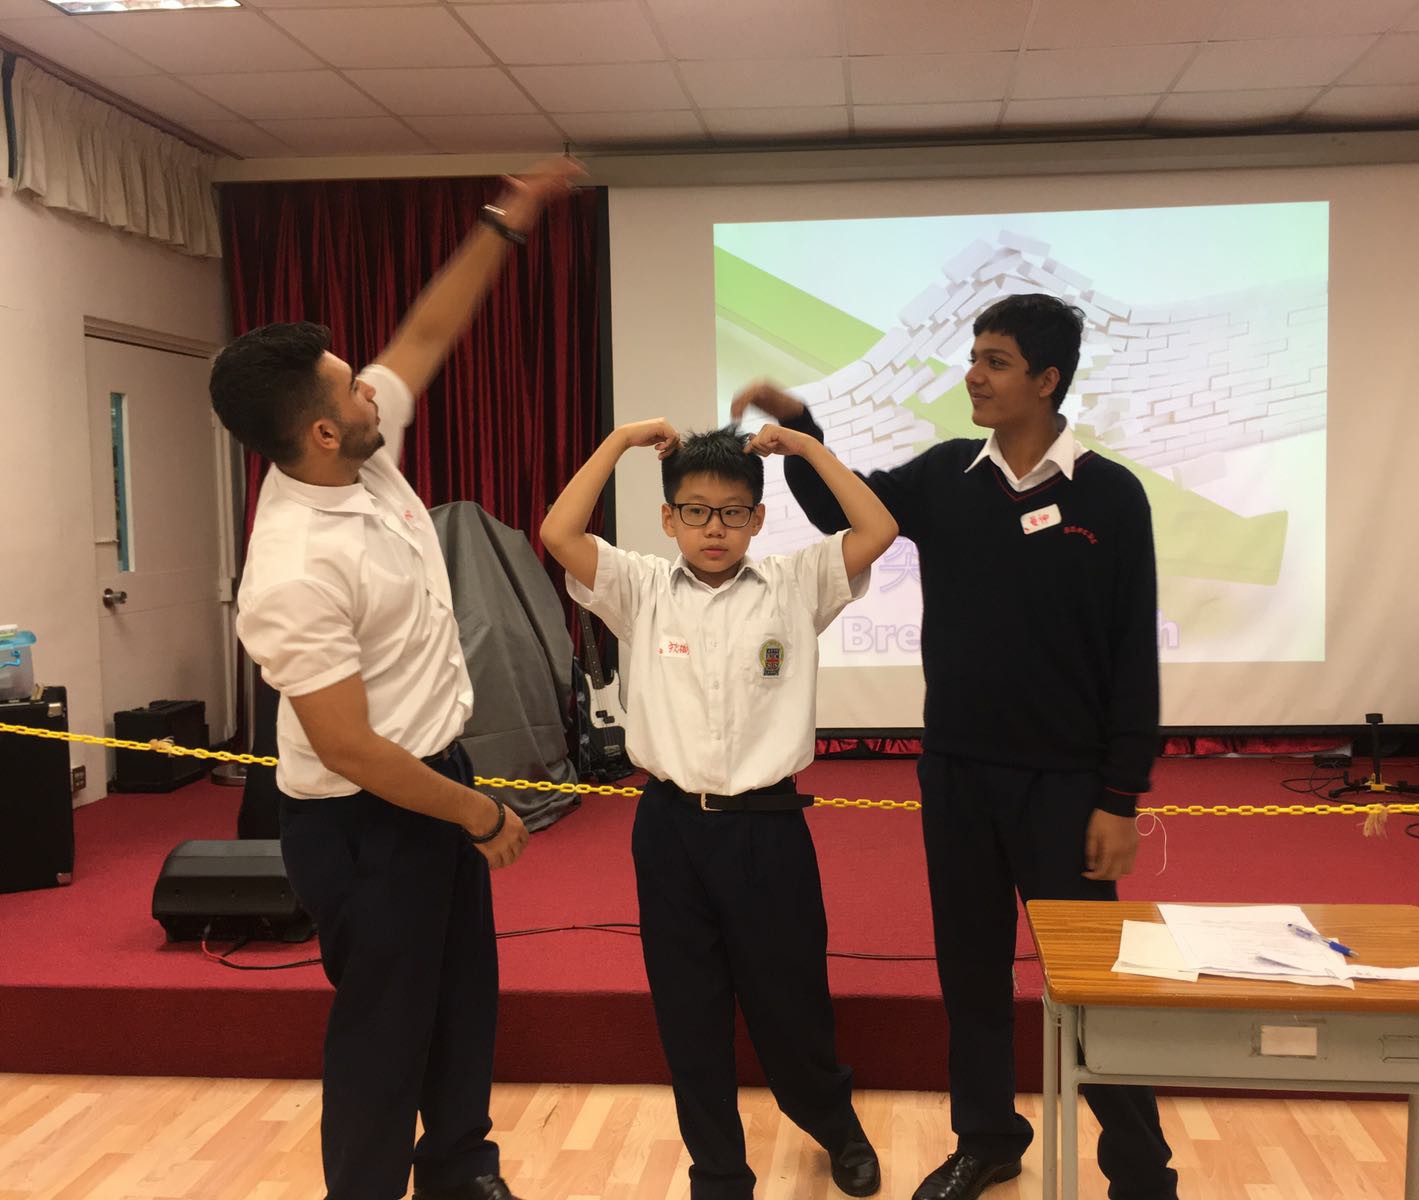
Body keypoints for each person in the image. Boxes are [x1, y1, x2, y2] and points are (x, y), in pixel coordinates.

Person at [732, 293, 1180, 1200]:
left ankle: (1141, 1170)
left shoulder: (1110, 495)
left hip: (1067, 787)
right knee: (971, 974)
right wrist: (802, 431)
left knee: (1093, 984)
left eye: (996, 361)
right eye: (974, 356)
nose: (973, 375)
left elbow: (1134, 654)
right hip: (958, 775)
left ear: (1047, 380)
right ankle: (987, 1138)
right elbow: (841, 514)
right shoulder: (947, 476)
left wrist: (1119, 797)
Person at [210, 156, 582, 1200]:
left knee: (463, 1000)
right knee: (384, 1035)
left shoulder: (357, 452)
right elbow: (348, 748)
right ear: (322, 432)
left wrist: (506, 221)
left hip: (430, 777)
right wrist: (477, 813)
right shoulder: (293, 569)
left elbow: (424, 333)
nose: (370, 383)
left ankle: (460, 1168)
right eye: (348, 386)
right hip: (363, 820)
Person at [539, 419, 898, 1200]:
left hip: (768, 829)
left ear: (758, 519)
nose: (714, 529)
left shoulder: (796, 584)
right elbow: (558, 532)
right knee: (688, 1012)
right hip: (670, 830)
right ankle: (719, 1173)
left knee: (791, 1003)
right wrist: (619, 441)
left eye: (733, 512)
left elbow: (878, 529)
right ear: (668, 519)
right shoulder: (638, 588)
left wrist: (807, 450)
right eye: (696, 511)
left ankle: (834, 1125)